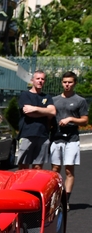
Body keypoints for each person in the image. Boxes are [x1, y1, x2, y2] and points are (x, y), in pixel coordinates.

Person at [50, 71, 89, 211]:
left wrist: (71, 119)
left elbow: (85, 120)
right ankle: (54, 199)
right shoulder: (54, 100)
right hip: (56, 138)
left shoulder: (80, 101)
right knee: (55, 170)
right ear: (62, 83)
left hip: (72, 140)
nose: (67, 85)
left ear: (75, 83)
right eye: (65, 82)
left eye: (70, 82)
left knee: (68, 171)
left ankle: (65, 200)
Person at [17, 70, 56, 169]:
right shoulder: (25, 95)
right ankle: (22, 185)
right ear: (32, 80)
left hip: (43, 135)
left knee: (38, 168)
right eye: (37, 78)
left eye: (42, 79)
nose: (40, 81)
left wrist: (35, 109)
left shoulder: (47, 97)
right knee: (23, 167)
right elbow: (29, 113)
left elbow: (52, 112)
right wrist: (45, 112)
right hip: (27, 134)